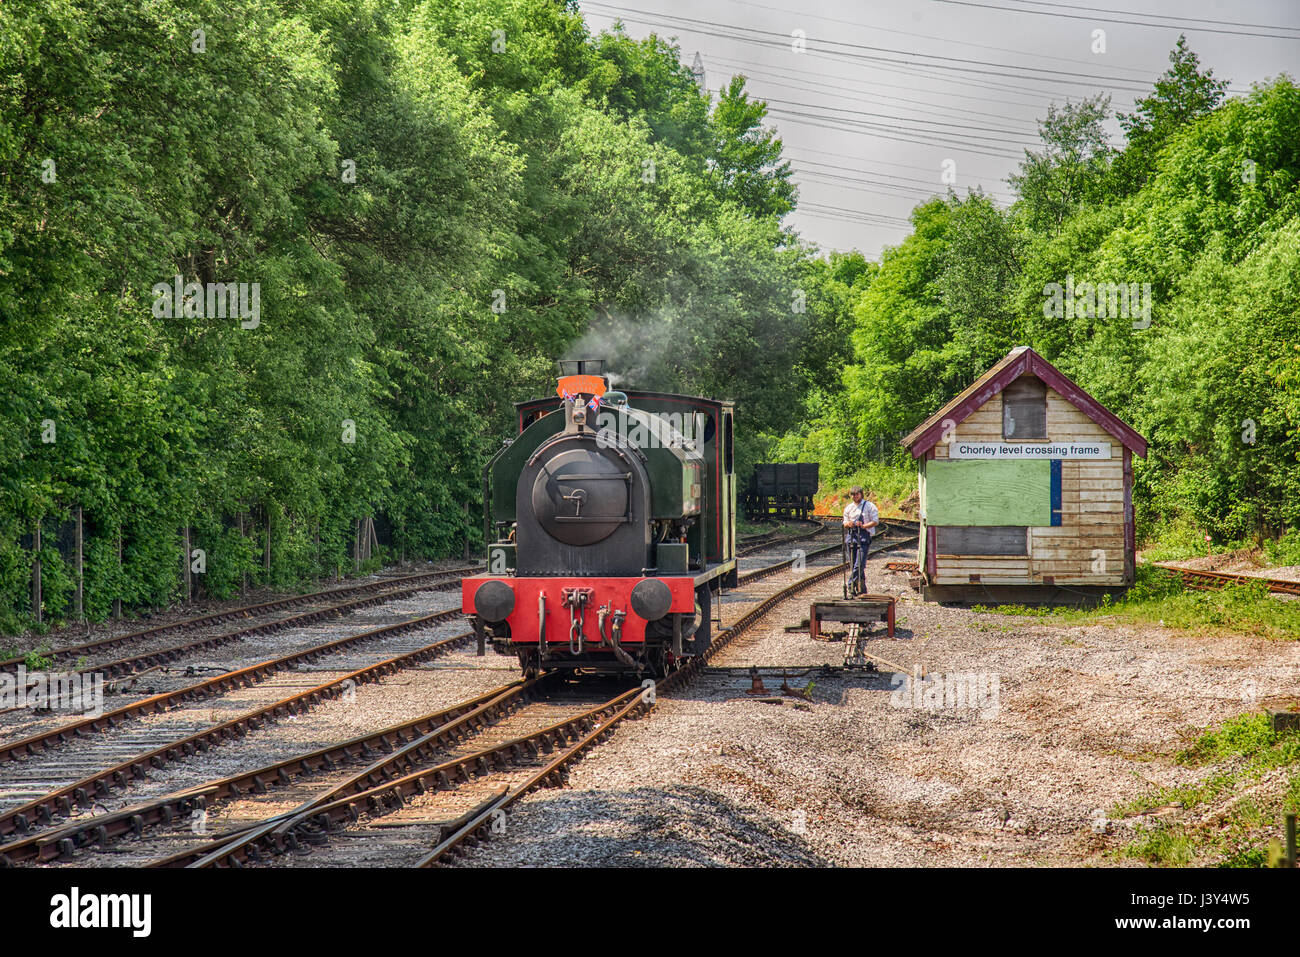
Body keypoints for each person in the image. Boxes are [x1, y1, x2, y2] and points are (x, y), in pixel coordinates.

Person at [842, 485, 878, 596]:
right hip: (851, 537)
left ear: (861, 494)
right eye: (852, 495)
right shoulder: (848, 508)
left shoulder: (870, 506)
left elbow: (875, 521)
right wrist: (849, 524)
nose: (855, 496)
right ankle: (861, 588)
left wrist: (863, 526)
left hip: (864, 536)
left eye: (857, 494)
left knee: (860, 564)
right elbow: (844, 522)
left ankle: (850, 584)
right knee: (853, 564)